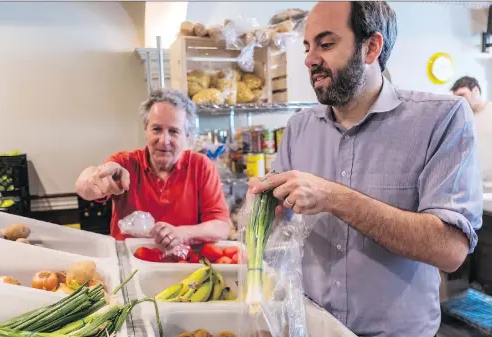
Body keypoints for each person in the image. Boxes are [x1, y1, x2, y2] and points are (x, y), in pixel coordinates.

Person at [249, 2, 483, 337]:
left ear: (371, 47)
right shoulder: (299, 128)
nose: (310, 59)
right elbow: (280, 229)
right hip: (309, 329)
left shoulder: (441, 119)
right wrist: (262, 208)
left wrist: (334, 197)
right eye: (307, 46)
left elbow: (450, 250)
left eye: (326, 44)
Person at [75, 89, 231, 250]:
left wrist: (182, 233)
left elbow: (221, 226)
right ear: (146, 130)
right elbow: (85, 187)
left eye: (174, 131)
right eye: (157, 129)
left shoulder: (201, 167)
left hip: (183, 265)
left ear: (187, 135)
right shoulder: (125, 164)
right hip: (131, 263)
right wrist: (93, 178)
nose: (164, 140)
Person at [451, 76, 492, 190]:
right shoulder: (461, 119)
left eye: (462, 95)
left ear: (475, 91)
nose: (460, 101)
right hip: (472, 187)